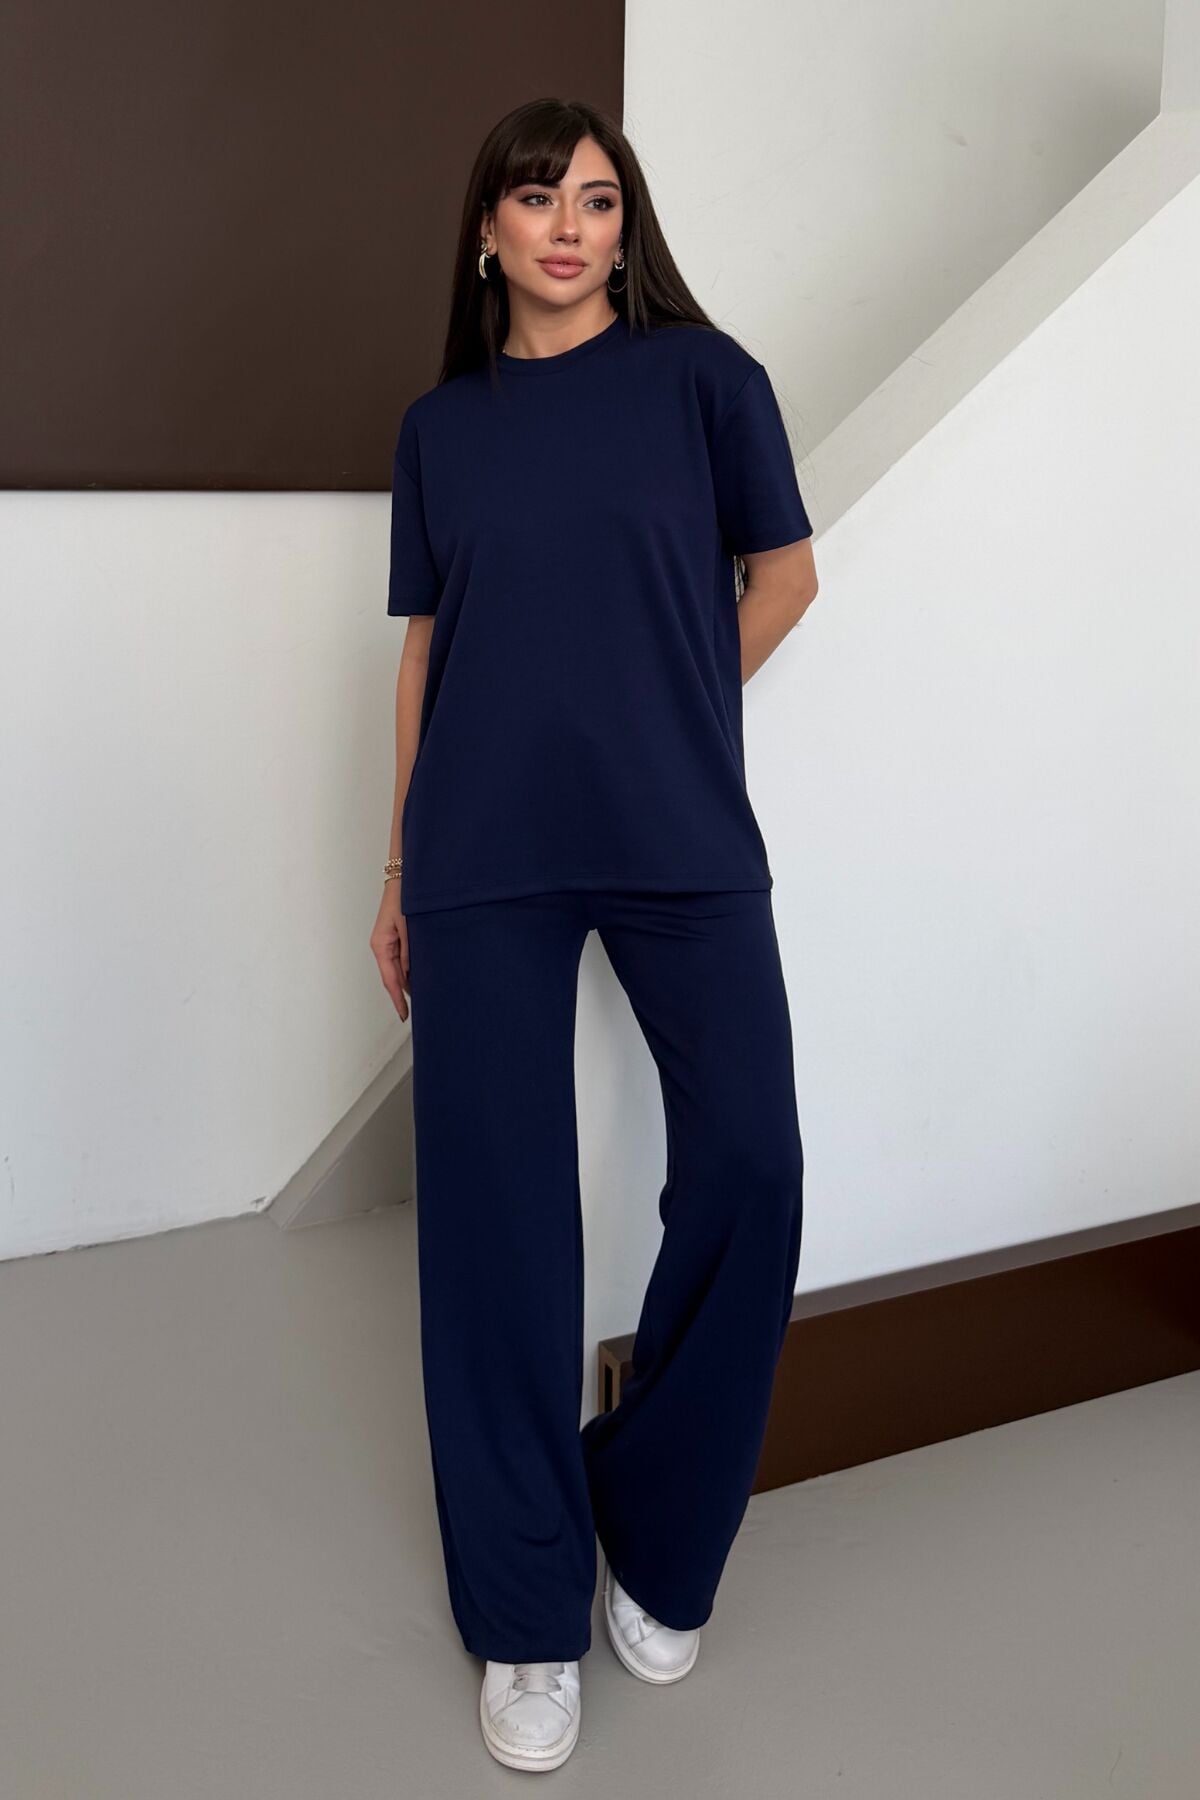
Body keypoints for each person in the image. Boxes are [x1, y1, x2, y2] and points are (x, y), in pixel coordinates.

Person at [370, 96, 819, 1773]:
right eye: (538, 197)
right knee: (497, 1221)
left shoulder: (707, 384)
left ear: (628, 234)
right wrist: (398, 866)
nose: (570, 225)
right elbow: (424, 652)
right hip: (482, 843)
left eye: (601, 200)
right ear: (487, 230)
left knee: (753, 1164)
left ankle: (659, 1525)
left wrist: (673, 705)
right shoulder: (442, 430)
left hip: (673, 830)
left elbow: (784, 578)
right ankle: (524, 1610)